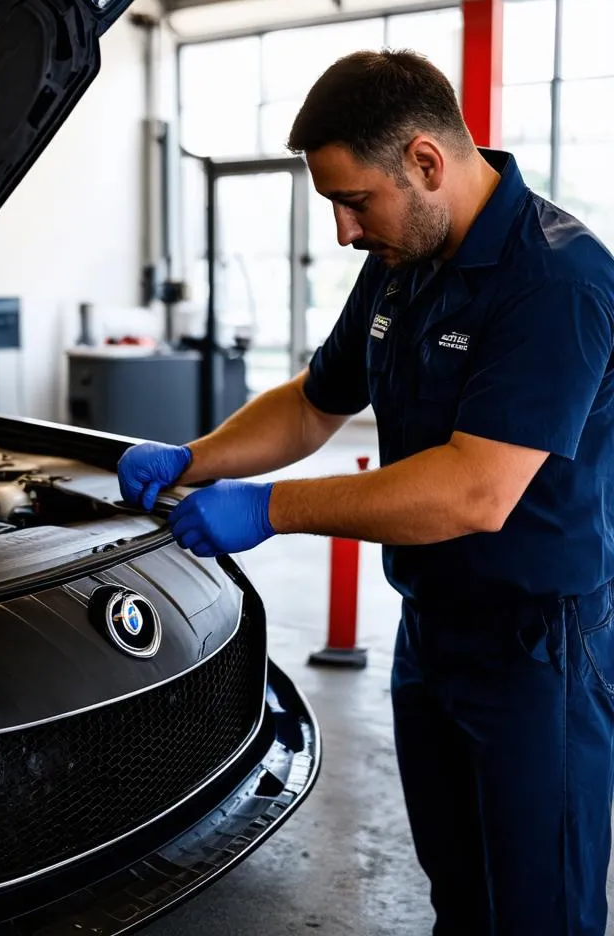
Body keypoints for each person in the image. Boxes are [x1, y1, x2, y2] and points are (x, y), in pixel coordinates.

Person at [117, 49, 614, 936]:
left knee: (540, 911)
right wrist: (196, 459)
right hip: (429, 629)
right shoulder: (402, 258)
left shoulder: (556, 278)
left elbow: (475, 492)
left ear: (425, 162)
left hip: (539, 648)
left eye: (355, 201)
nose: (344, 231)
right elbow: (315, 400)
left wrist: (272, 509)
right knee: (459, 893)